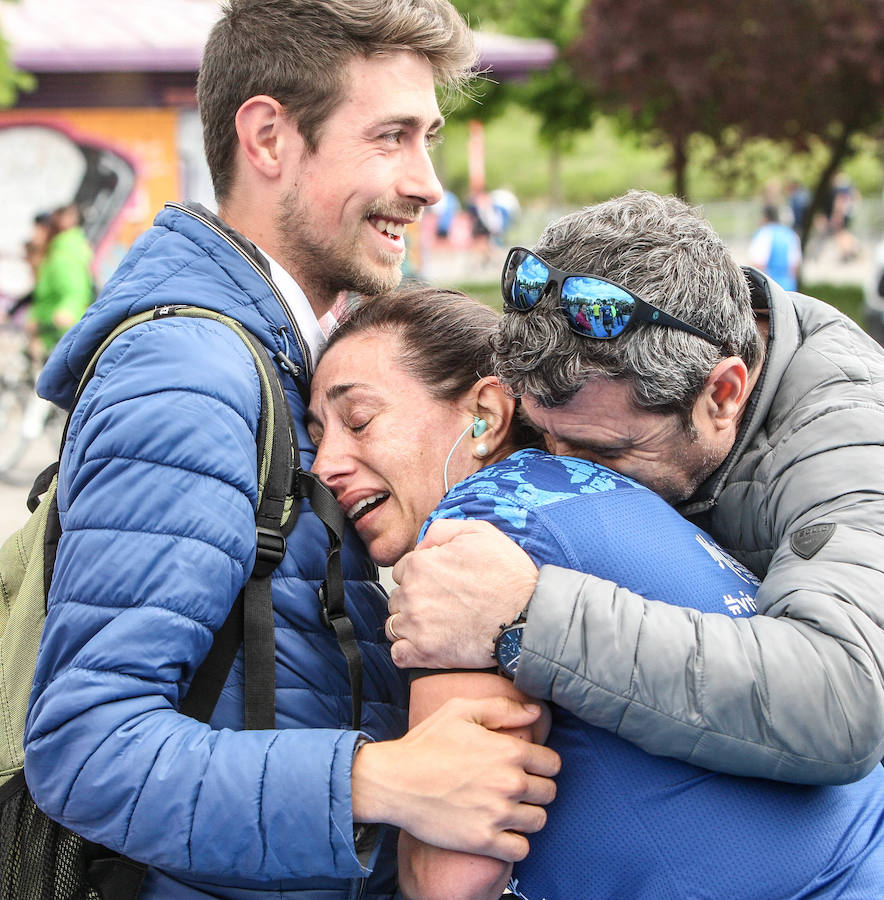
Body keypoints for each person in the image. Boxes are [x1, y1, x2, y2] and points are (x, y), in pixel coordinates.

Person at [22, 3, 559, 899]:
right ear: (270, 136)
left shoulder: (280, 352)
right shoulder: (192, 370)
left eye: (429, 138)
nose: (428, 183)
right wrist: (385, 781)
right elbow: (87, 748)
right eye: (392, 136)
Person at [307, 287, 884, 900]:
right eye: (316, 436)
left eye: (360, 420)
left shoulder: (477, 530)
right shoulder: (622, 490)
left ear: (487, 413)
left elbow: (451, 879)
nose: (324, 465)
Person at [387, 189, 884, 787]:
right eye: (544, 436)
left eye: (607, 452)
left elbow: (844, 700)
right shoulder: (612, 395)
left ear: (723, 394)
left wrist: (528, 618)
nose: (566, 470)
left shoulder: (847, 439)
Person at [27, 202, 94, 361]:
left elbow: (74, 291)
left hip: (59, 337)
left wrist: (67, 310)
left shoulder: (62, 257)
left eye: (39, 229)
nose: (34, 234)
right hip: (51, 334)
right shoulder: (57, 254)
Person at [747, 203, 802, 290]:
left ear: (765, 217)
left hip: (770, 290)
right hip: (789, 289)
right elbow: (795, 267)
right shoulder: (791, 234)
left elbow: (757, 265)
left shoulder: (764, 233)